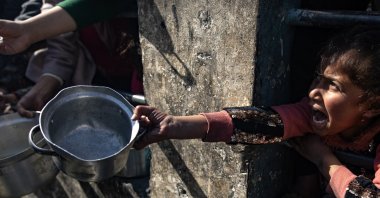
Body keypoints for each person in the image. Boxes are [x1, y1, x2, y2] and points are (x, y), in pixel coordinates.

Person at [131, 26, 380, 198]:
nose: (315, 91)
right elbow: (259, 122)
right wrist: (173, 124)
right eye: (318, 79)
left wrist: (325, 161)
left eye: (333, 86)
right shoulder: (315, 111)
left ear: (371, 107)